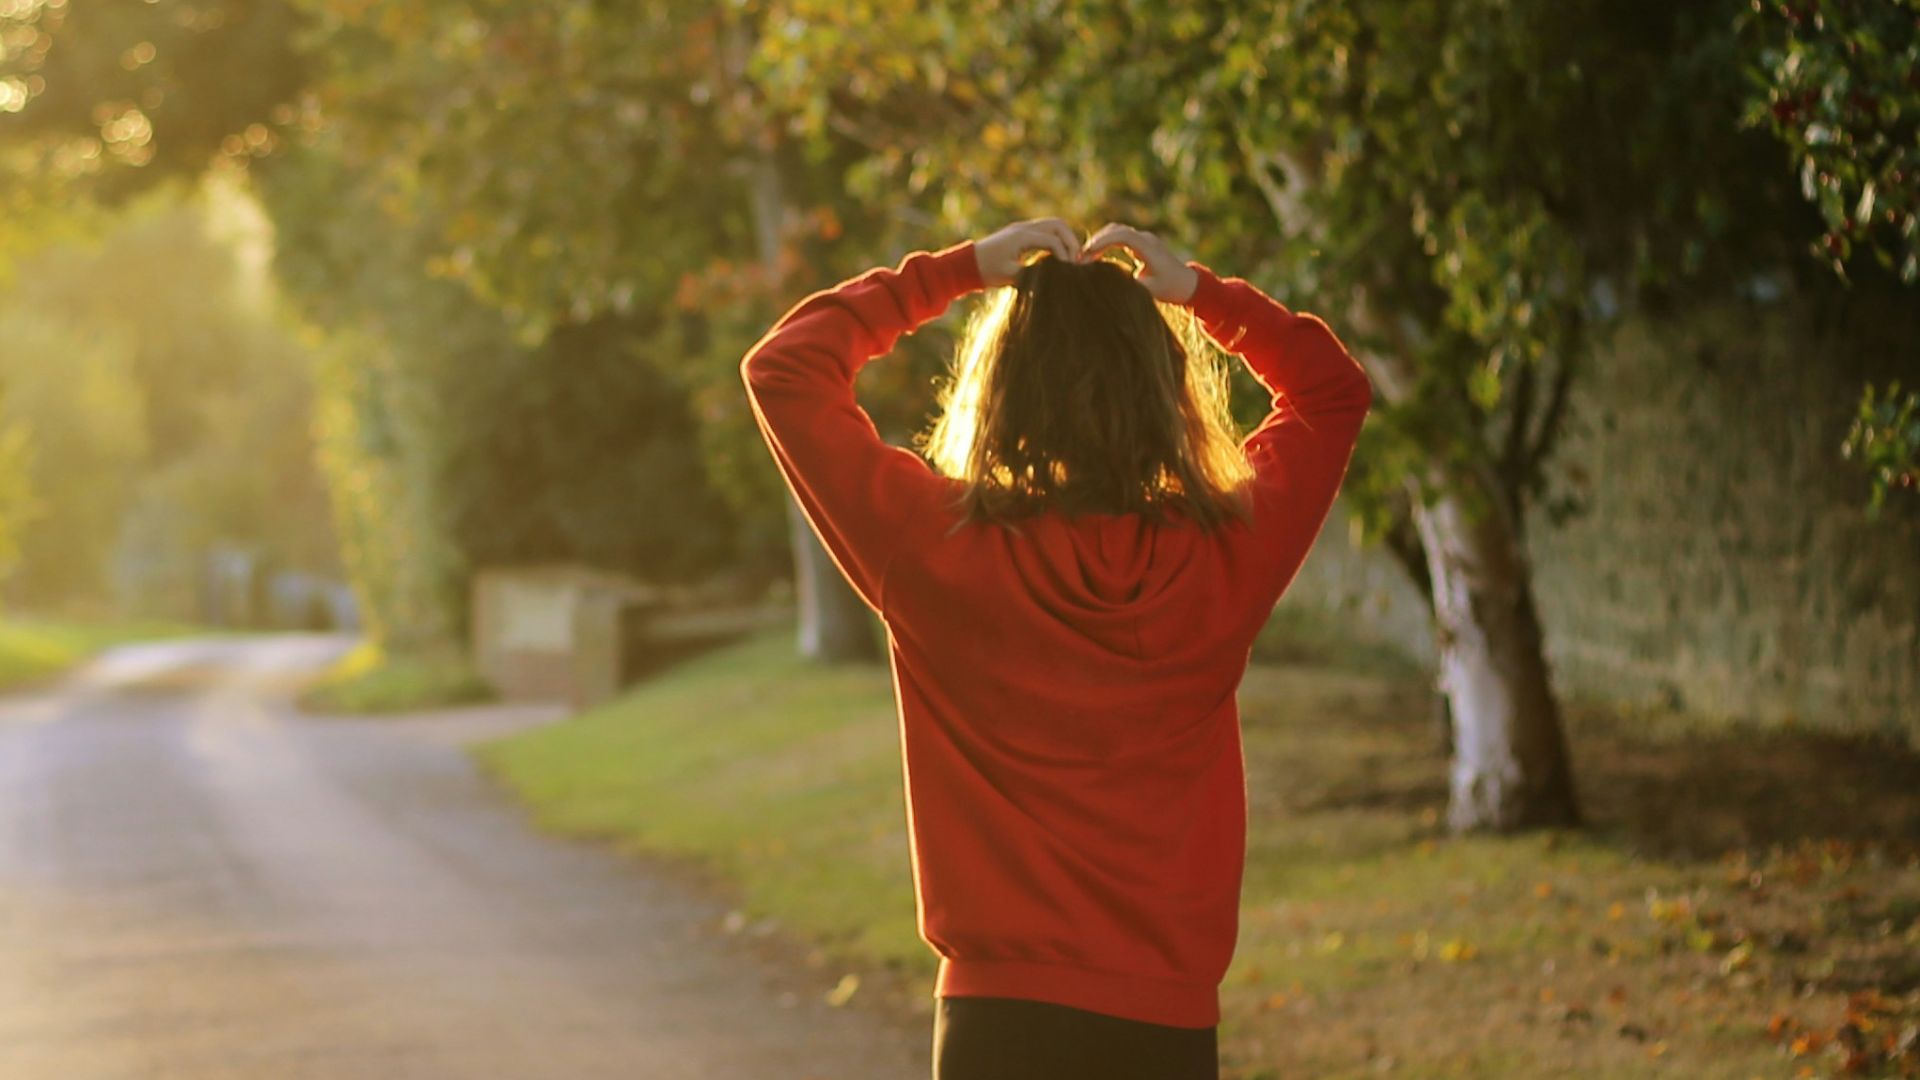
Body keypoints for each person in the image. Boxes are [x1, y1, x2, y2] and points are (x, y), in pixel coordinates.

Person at [740, 218, 1374, 1080]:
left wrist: (956, 272)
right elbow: (1331, 392)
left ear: (1002, 389)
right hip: (1166, 1024)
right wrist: (1200, 296)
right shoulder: (1222, 551)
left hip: (997, 1026)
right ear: (1164, 391)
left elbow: (785, 369)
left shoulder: (934, 548)